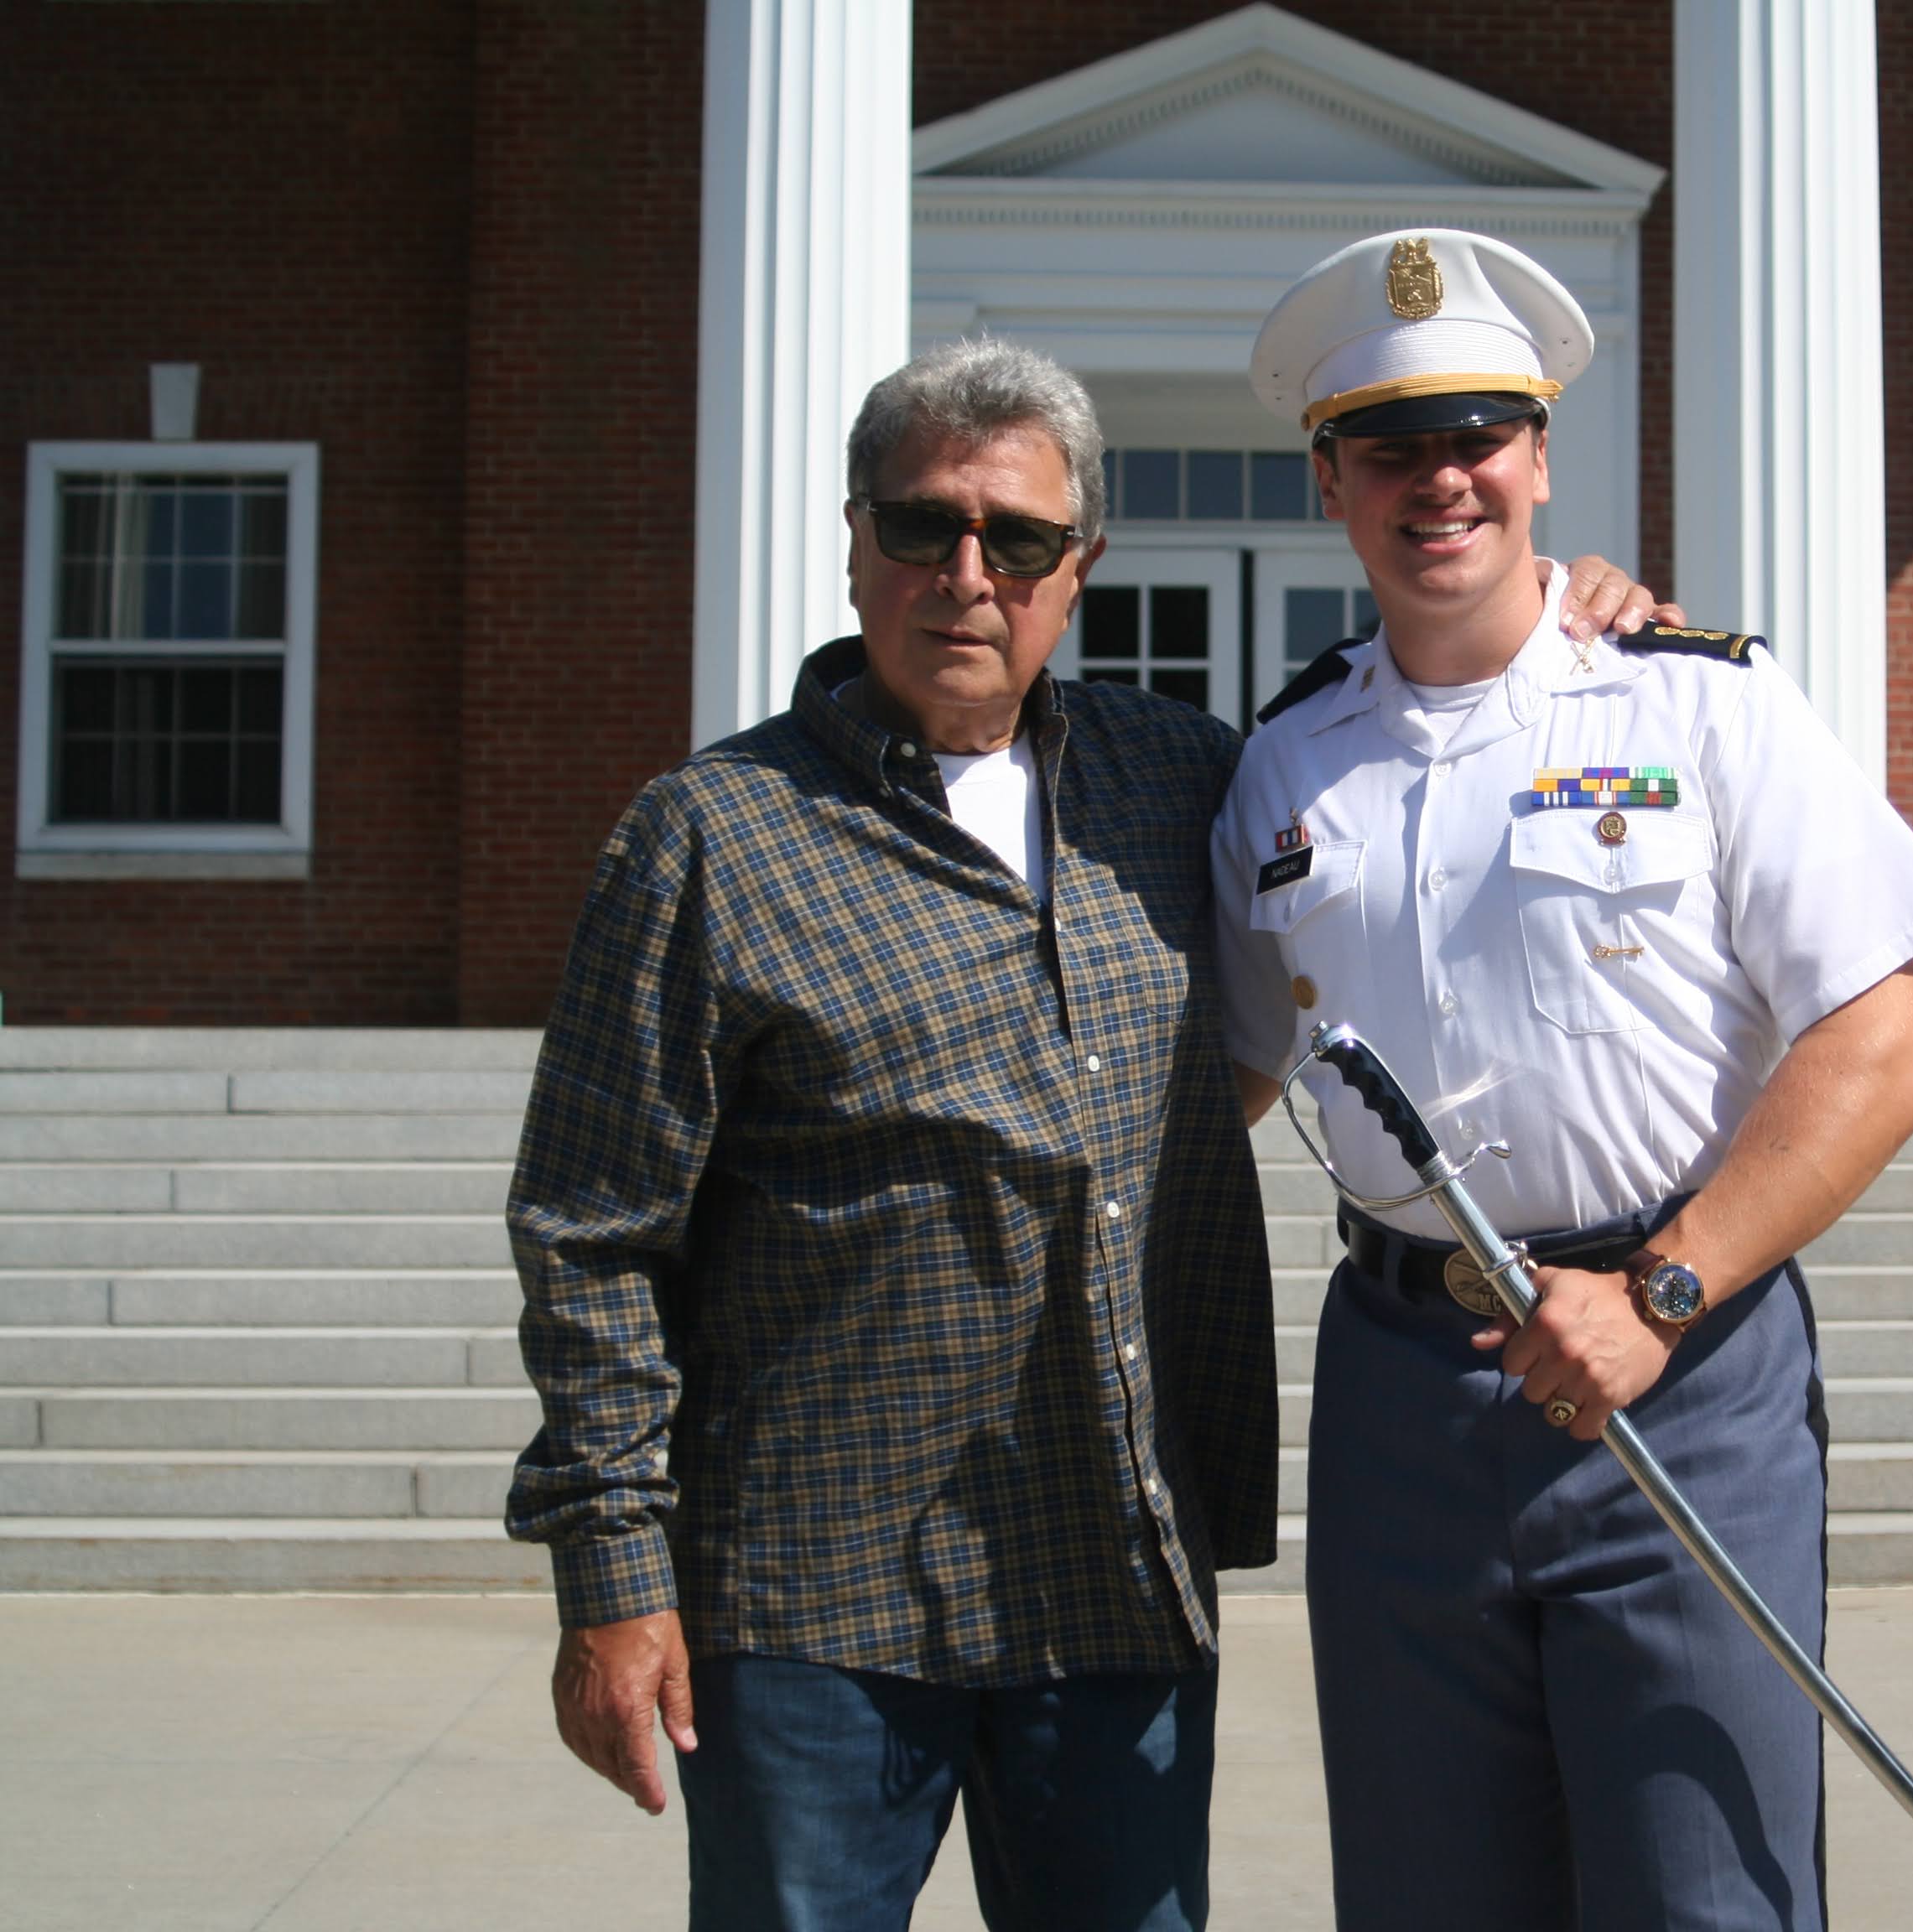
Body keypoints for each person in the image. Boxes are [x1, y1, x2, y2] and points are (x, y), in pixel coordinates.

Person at [503, 333, 1673, 1932]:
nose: (967, 576)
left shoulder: (1188, 781)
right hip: (810, 1595)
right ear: (857, 545)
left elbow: (1418, 728)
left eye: (1020, 541)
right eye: (922, 528)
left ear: (1082, 569)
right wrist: (612, 1576)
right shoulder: (709, 837)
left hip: (1107, 1570)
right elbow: (591, 1237)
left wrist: (1581, 620)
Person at [1214, 231, 1913, 1931]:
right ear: (1333, 482)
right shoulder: (1280, 765)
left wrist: (1666, 1290)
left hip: (1683, 1373)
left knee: (1704, 1894)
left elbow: (1882, 1039)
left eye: (1481, 431)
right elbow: (1227, 1080)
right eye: (1393, 446)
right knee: (1428, 1902)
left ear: (1542, 457)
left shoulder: (1706, 703)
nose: (1445, 479)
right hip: (1405, 1393)